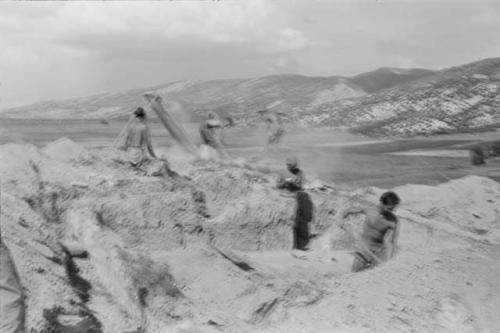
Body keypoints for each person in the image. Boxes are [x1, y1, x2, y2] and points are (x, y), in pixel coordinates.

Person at [342, 191, 401, 272]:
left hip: (379, 254)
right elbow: (348, 211)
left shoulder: (394, 220)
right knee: (354, 273)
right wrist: (342, 220)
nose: (393, 210)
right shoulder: (369, 210)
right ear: (382, 203)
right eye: (390, 208)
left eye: (393, 208)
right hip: (364, 250)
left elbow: (394, 240)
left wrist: (392, 257)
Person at [277, 158, 312, 250]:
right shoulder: (282, 172)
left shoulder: (300, 173)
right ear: (287, 165)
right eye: (290, 167)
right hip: (282, 198)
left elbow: (300, 187)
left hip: (293, 198)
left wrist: (294, 184)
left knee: (293, 222)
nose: (292, 169)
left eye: (294, 167)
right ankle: (285, 245)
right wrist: (285, 183)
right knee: (283, 221)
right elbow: (277, 185)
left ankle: (294, 245)